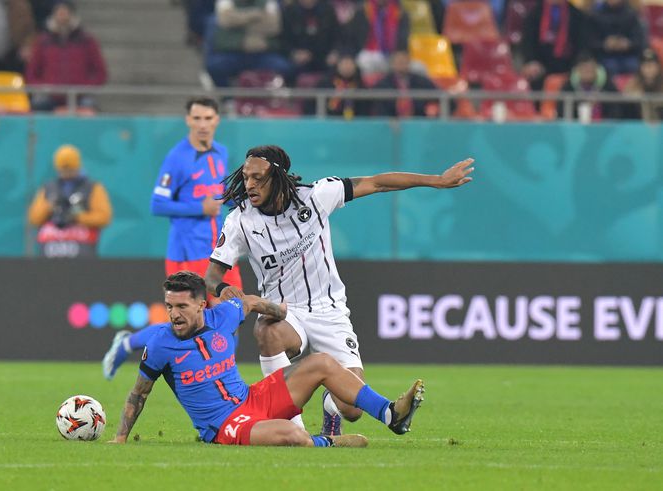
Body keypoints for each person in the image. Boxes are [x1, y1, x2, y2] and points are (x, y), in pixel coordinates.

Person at [205, 145, 473, 436]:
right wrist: (223, 288)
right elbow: (212, 276)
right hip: (284, 312)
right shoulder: (240, 221)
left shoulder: (318, 196)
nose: (249, 185)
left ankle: (331, 404)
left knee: (352, 410)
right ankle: (289, 425)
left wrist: (437, 180)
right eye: (246, 177)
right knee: (266, 330)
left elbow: (378, 182)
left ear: (279, 177)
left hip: (329, 311)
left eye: (258, 178)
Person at [108, 271, 425, 447]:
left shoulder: (224, 315)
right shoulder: (161, 343)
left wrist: (281, 312)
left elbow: (249, 303)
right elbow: (140, 393)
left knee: (323, 362)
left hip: (254, 398)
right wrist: (121, 438)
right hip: (225, 424)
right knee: (291, 435)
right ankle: (328, 442)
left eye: (182, 307)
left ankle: (390, 415)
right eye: (169, 307)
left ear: (202, 305)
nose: (174, 315)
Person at [101, 97, 244, 380]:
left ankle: (221, 378)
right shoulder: (178, 158)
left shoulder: (220, 153)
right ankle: (128, 343)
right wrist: (198, 208)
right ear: (188, 121)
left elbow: (220, 197)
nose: (203, 124)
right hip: (187, 251)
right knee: (186, 321)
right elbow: (158, 203)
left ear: (217, 120)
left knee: (233, 314)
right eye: (197, 119)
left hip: (219, 251)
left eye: (208, 118)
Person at [27, 144, 113, 258]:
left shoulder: (93, 188)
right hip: (51, 253)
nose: (66, 173)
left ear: (78, 166)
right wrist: (50, 206)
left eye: (70, 169)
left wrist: (77, 217)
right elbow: (34, 218)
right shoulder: (48, 188)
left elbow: (104, 217)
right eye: (63, 169)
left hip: (82, 254)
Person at [25, 0, 107, 112]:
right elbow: (31, 73)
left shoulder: (87, 41)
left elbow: (100, 72)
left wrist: (86, 87)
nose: (62, 17)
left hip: (80, 96)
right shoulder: (43, 42)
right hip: (50, 96)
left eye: (65, 13)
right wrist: (44, 88)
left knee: (89, 106)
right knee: (37, 106)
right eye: (59, 13)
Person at [204, 0, 293, 87]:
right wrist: (256, 15)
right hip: (233, 53)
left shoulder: (269, 2)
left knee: (283, 67)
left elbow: (273, 26)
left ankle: (267, 99)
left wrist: (237, 23)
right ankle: (229, 99)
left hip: (261, 54)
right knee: (214, 66)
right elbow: (225, 20)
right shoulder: (226, 2)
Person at [519, 0, 587, 93]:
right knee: (534, 78)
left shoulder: (576, 15)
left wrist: (577, 65)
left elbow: (582, 43)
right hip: (541, 63)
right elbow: (528, 40)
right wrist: (531, 60)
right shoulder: (535, 12)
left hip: (568, 64)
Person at [344, 0, 410, 75]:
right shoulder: (363, 10)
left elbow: (403, 39)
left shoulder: (399, 12)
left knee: (419, 68)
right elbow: (351, 38)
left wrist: (399, 57)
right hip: (368, 53)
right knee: (363, 64)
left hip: (392, 55)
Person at [584, 0, 645, 77]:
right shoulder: (595, 15)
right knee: (610, 66)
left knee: (633, 65)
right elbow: (589, 41)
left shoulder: (632, 14)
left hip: (628, 55)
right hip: (604, 56)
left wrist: (628, 43)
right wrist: (604, 44)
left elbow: (639, 40)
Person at [373, 50, 440, 118]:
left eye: (404, 62)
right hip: (389, 122)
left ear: (409, 63)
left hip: (418, 120)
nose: (401, 65)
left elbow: (439, 95)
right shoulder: (383, 83)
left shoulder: (421, 81)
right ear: (392, 64)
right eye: (398, 62)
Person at [281, 0, 340, 78]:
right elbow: (284, 40)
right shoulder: (289, 11)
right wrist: (294, 53)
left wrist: (335, 52)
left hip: (324, 57)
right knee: (288, 69)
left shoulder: (328, 10)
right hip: (300, 59)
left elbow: (337, 36)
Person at [558, 51, 623, 120]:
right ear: (577, 70)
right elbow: (561, 111)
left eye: (591, 68)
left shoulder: (608, 85)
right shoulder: (568, 86)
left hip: (604, 126)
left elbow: (617, 110)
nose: (588, 71)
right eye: (584, 68)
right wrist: (582, 103)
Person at [304, 52, 371, 118]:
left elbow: (365, 109)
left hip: (354, 123)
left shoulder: (360, 84)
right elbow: (311, 105)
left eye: (350, 64)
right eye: (344, 64)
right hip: (328, 121)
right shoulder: (326, 82)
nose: (347, 67)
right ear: (338, 66)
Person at [623, 48, 663, 122]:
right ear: (640, 68)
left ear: (658, 67)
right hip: (638, 126)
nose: (649, 69)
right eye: (645, 65)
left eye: (652, 65)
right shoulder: (633, 84)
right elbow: (625, 104)